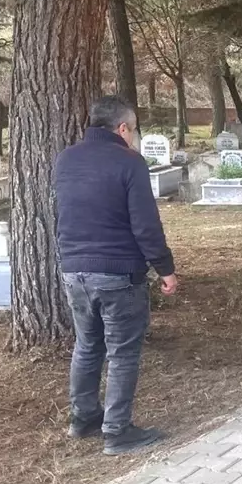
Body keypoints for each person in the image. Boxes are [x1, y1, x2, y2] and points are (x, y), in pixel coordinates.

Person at [55, 96, 178, 456]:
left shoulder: (66, 159)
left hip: (73, 270)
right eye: (134, 129)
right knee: (123, 353)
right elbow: (145, 224)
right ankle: (117, 431)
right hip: (118, 273)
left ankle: (83, 418)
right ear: (123, 128)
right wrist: (165, 269)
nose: (135, 136)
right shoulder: (130, 162)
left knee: (87, 345)